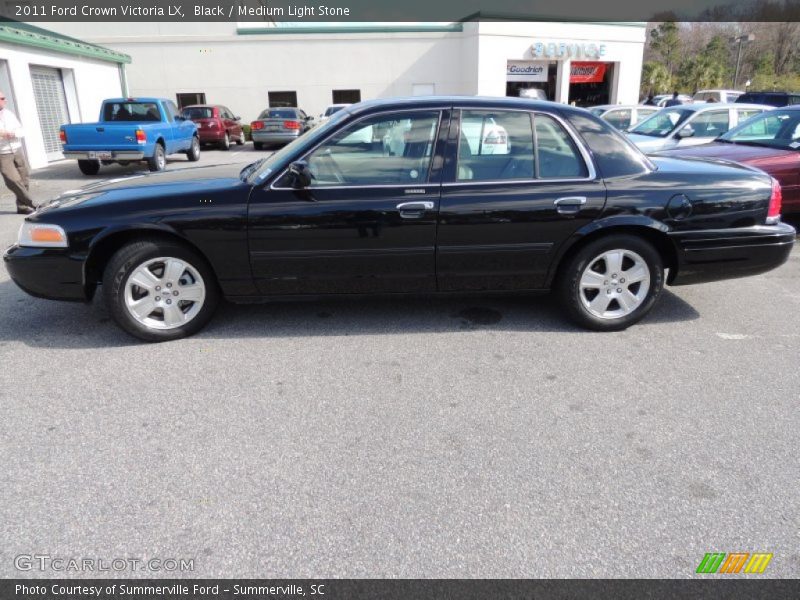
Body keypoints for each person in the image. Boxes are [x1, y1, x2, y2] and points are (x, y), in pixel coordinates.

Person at [0, 91, 36, 214]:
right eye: (2, 98)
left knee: (24, 177)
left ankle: (22, 207)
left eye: (4, 98)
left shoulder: (9, 114)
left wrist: (13, 133)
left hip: (17, 149)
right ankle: (31, 202)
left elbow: (21, 130)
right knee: (12, 179)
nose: (5, 100)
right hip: (2, 153)